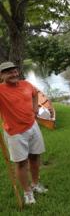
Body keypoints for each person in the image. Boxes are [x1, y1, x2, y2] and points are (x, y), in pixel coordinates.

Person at [0, 61, 48, 205]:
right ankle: (27, 192)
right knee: (21, 163)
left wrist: (35, 109)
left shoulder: (26, 84)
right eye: (9, 72)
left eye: (15, 71)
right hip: (15, 132)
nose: (14, 74)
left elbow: (35, 94)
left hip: (32, 126)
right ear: (1, 75)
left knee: (35, 157)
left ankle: (34, 184)